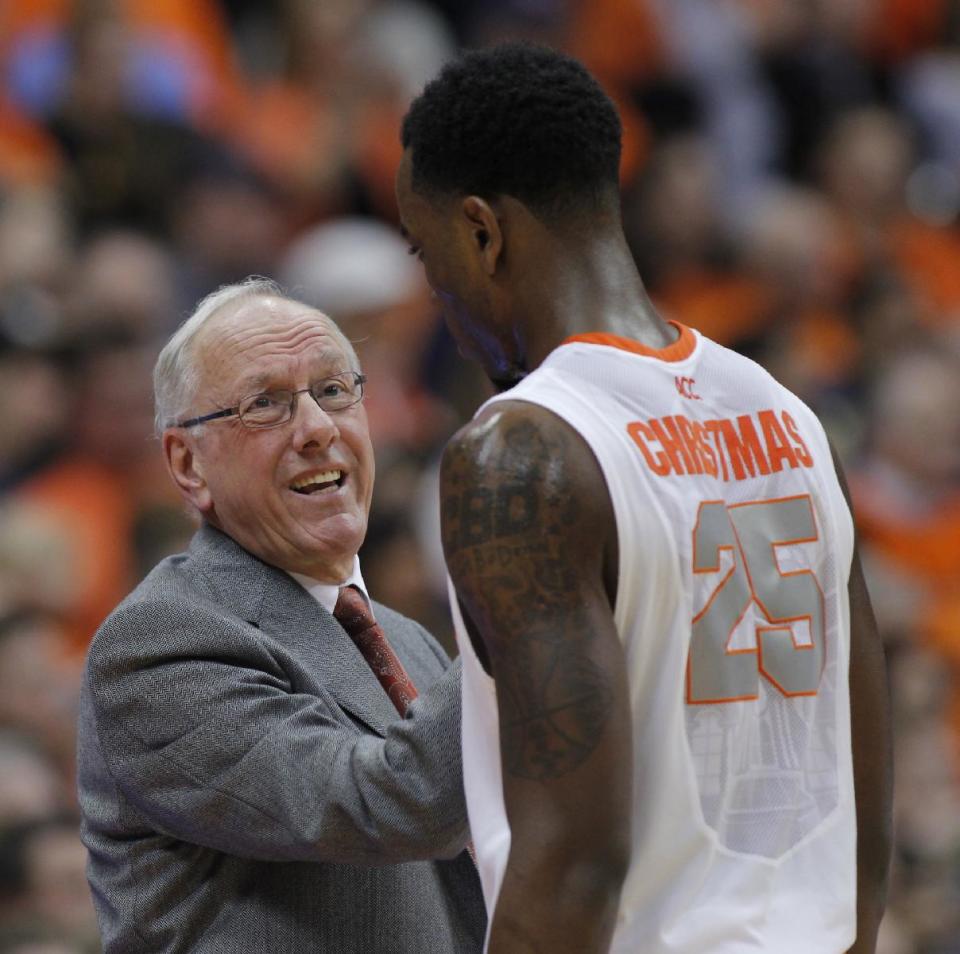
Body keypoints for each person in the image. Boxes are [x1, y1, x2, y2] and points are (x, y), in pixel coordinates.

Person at [396, 42, 892, 954]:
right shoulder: (787, 415)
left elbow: (575, 864)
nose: (440, 300)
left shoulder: (523, 451)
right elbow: (862, 786)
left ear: (481, 232)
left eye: (430, 260)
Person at [76, 278, 485, 953]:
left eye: (333, 391)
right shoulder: (160, 643)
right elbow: (387, 803)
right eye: (265, 404)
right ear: (187, 462)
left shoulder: (408, 640)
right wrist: (522, 604)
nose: (318, 430)